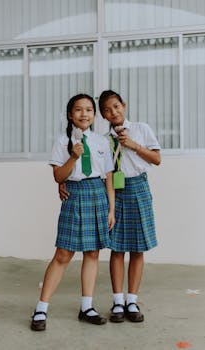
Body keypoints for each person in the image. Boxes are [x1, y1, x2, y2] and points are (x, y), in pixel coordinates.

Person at [31, 93, 115, 331]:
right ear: (70, 114)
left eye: (89, 110)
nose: (84, 114)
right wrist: (73, 156)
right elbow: (58, 176)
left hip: (98, 195)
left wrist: (111, 209)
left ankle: (86, 307)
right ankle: (41, 308)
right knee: (63, 255)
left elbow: (108, 177)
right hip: (75, 195)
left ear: (94, 114)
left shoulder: (101, 142)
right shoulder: (62, 141)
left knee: (92, 253)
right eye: (78, 110)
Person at [98, 89, 161, 323]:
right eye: (107, 110)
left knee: (137, 247)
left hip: (139, 188)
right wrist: (110, 208)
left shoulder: (142, 129)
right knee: (117, 247)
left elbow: (157, 159)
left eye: (116, 106)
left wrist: (133, 145)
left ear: (124, 105)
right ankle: (117, 301)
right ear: (103, 116)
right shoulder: (104, 140)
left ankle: (132, 300)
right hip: (116, 190)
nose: (113, 112)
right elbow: (107, 174)